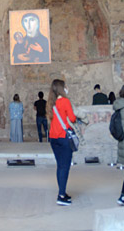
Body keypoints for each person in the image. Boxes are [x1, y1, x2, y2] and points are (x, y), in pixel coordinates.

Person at [48, 78, 76, 206]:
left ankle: (62, 192)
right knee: (65, 166)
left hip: (53, 137)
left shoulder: (51, 103)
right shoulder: (65, 101)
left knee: (60, 166)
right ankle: (61, 195)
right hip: (63, 136)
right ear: (62, 88)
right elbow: (72, 118)